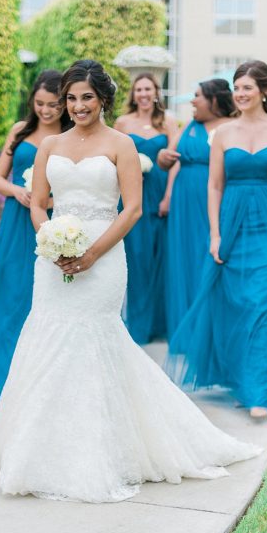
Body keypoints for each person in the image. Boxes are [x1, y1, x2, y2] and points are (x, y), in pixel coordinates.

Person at [0, 59, 262, 503]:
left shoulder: (122, 144)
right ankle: (39, 449)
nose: (77, 106)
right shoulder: (49, 145)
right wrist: (51, 240)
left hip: (105, 255)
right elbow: (39, 204)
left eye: (86, 98)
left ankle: (101, 450)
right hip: (53, 259)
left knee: (96, 341)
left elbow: (131, 209)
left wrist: (92, 253)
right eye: (71, 98)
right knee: (48, 339)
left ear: (103, 99)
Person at [166, 60, 267, 418]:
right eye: (237, 88)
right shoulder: (223, 134)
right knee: (238, 303)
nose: (240, 94)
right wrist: (214, 234)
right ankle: (243, 381)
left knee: (265, 304)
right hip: (232, 224)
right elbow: (215, 186)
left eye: (247, 87)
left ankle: (260, 392)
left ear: (264, 91)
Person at [0, 70, 71, 410]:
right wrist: (20, 192)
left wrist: (48, 201)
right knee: (9, 301)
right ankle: (1, 395)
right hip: (15, 222)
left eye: (53, 105)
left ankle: (40, 396)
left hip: (53, 223)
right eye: (40, 104)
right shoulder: (20, 131)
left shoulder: (69, 136)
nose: (47, 111)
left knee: (45, 304)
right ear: (32, 101)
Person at [157, 79, 236, 338]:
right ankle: (185, 329)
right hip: (183, 203)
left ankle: (209, 329)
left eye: (198, 96)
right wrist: (162, 159)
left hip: (213, 199)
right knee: (183, 257)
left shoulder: (231, 127)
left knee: (207, 257)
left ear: (214, 100)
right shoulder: (190, 126)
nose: (192, 101)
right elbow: (168, 159)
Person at [114, 73, 178, 343]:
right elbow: (111, 158)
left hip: (160, 194)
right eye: (138, 89)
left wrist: (168, 197)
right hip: (132, 195)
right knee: (136, 258)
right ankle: (138, 325)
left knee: (161, 258)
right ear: (133, 93)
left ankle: (159, 325)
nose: (142, 94)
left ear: (155, 92)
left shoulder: (169, 122)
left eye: (147, 89)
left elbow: (176, 161)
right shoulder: (123, 122)